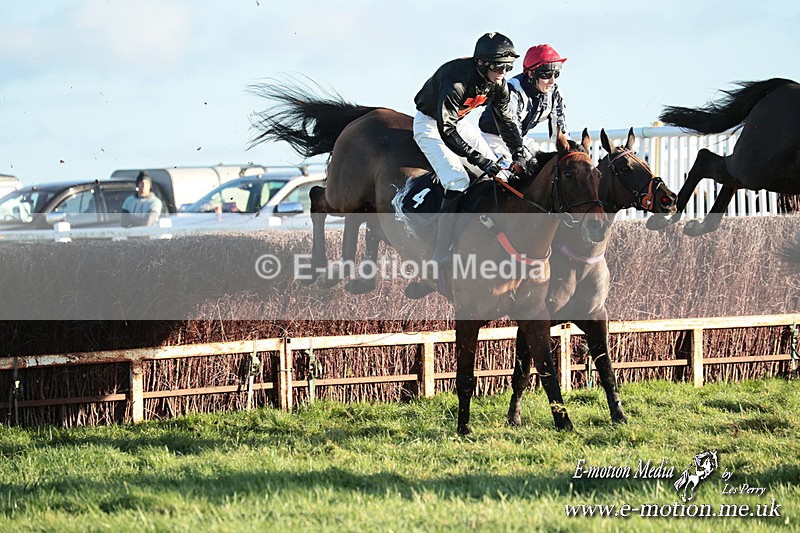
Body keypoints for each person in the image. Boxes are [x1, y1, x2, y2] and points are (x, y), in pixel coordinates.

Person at [413, 32, 529, 266]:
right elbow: (446, 129)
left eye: (508, 68)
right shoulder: (455, 79)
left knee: (501, 174)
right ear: (482, 63)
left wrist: (519, 153)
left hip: (460, 122)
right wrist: (478, 159)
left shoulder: (498, 85)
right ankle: (440, 251)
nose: (504, 74)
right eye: (500, 68)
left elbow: (507, 122)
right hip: (430, 124)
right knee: (457, 180)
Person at [479, 44, 568, 162]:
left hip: (522, 138)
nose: (552, 81)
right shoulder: (513, 90)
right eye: (546, 75)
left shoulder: (555, 93)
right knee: (509, 173)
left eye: (556, 74)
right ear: (531, 74)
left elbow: (560, 131)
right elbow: (512, 130)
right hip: (494, 139)